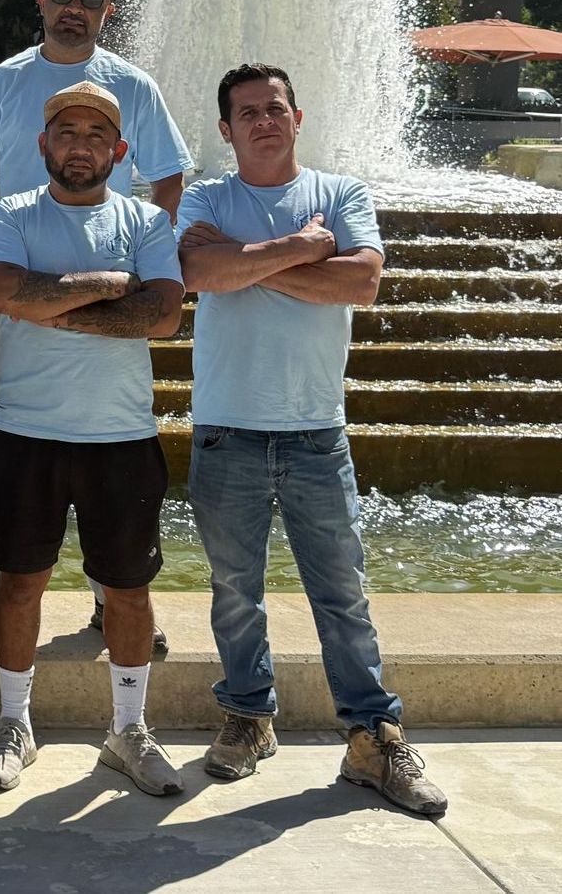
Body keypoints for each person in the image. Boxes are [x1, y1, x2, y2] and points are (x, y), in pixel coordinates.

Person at [178, 63, 447, 817]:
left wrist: (249, 262)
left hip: (315, 431)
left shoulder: (341, 193)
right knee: (236, 594)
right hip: (227, 428)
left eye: (275, 108)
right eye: (246, 112)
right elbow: (197, 271)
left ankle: (373, 738)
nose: (263, 120)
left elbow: (360, 283)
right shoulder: (205, 196)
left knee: (343, 596)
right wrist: (303, 249)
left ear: (297, 118)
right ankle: (248, 717)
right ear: (226, 129)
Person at [0, 0, 192, 650]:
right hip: (22, 286)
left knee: (106, 452)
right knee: (12, 442)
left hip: (112, 306)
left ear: (108, 9)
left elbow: (167, 178)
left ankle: (110, 601)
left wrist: (148, 258)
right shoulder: (2, 81)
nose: (74, 7)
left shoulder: (133, 85)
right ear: (41, 0)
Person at [0, 82, 185, 797]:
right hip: (23, 434)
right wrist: (106, 285)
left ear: (119, 151)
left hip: (120, 436)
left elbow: (161, 315)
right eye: (67, 132)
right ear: (44, 144)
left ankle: (128, 731)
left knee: (128, 591)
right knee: (19, 582)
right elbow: (5, 292)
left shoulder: (146, 220)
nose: (81, 145)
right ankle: (13, 724)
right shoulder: (11, 212)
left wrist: (55, 306)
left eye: (97, 135)